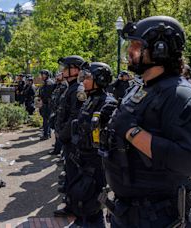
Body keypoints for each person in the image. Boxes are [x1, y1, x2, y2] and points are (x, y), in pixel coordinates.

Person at [100, 16, 191, 227]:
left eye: (137, 45)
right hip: (129, 212)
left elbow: (188, 161)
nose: (130, 51)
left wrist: (131, 132)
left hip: (158, 216)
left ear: (160, 49)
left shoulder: (180, 95)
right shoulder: (141, 87)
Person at [68, 62, 115, 227]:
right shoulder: (90, 100)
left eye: (87, 77)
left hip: (97, 164)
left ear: (100, 79)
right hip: (84, 160)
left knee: (92, 203)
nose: (83, 81)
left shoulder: (107, 103)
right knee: (81, 198)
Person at [54, 55, 87, 217]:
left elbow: (75, 117)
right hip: (67, 139)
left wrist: (62, 135)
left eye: (66, 68)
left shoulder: (78, 89)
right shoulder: (71, 87)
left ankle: (74, 207)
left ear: (76, 69)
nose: (63, 71)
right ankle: (71, 203)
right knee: (69, 171)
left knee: (74, 173)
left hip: (72, 140)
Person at [49, 72, 68, 155]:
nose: (57, 76)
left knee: (60, 132)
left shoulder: (65, 85)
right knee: (56, 131)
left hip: (61, 111)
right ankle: (57, 149)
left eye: (59, 75)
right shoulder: (58, 85)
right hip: (56, 110)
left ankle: (60, 151)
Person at [38, 69, 55, 140]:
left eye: (42, 74)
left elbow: (47, 94)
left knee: (46, 120)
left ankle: (46, 134)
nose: (41, 76)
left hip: (48, 104)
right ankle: (47, 133)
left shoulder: (49, 83)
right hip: (46, 103)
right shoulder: (46, 82)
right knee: (46, 119)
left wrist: (41, 98)